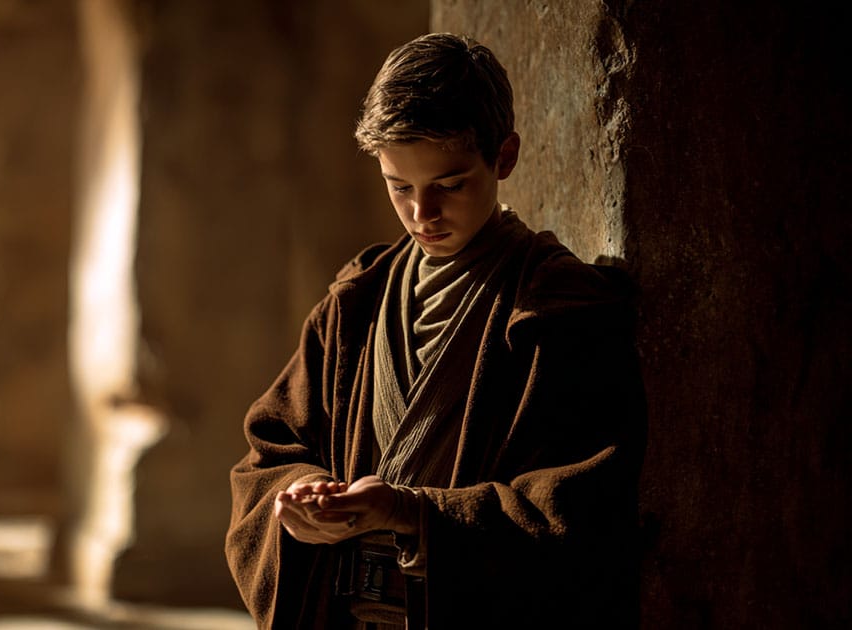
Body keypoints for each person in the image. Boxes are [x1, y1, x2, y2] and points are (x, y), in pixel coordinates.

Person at [225, 33, 646, 629]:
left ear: (504, 157)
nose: (423, 214)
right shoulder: (356, 304)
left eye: (449, 185)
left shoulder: (557, 312)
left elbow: (583, 512)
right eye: (399, 187)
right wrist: (305, 495)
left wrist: (408, 513)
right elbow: (267, 454)